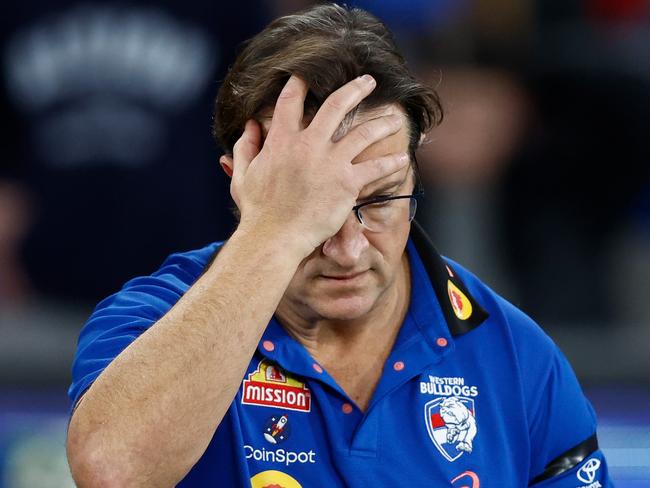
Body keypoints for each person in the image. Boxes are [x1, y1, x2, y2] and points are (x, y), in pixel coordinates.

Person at [66, 4, 613, 487]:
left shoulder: (515, 354)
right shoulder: (154, 318)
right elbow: (114, 472)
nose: (348, 250)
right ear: (240, 182)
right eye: (315, 213)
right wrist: (275, 231)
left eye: (378, 201)